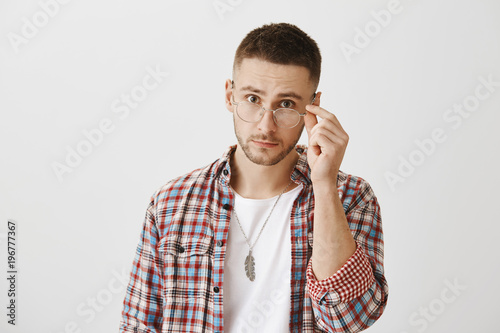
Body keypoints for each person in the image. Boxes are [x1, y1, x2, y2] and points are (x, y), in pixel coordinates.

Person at [119, 22, 388, 333]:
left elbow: (347, 319)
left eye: (286, 104)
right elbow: (139, 325)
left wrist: (325, 184)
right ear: (229, 95)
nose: (265, 125)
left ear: (313, 107)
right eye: (252, 99)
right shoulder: (171, 202)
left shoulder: (350, 196)